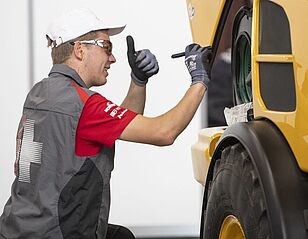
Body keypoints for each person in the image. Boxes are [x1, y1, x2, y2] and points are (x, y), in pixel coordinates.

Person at [0, 8, 212, 239]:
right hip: (58, 232)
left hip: (18, 227)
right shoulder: (83, 105)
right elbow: (164, 132)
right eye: (107, 48)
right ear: (80, 50)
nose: (113, 58)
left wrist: (138, 81)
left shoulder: (41, 92)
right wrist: (199, 80)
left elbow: (117, 124)